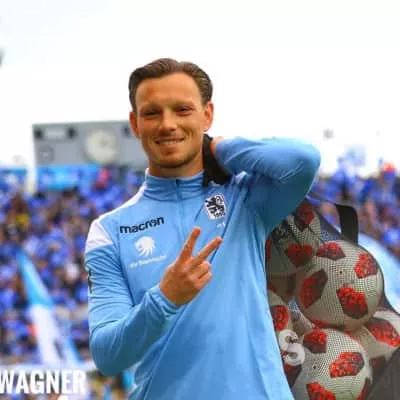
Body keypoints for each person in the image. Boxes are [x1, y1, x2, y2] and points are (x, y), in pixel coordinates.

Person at [84, 57, 321, 400]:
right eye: (152, 113)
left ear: (207, 115)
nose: (167, 124)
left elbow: (303, 160)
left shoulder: (245, 197)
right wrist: (164, 299)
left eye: (182, 110)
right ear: (135, 124)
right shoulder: (109, 231)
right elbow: (107, 355)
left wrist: (220, 148)